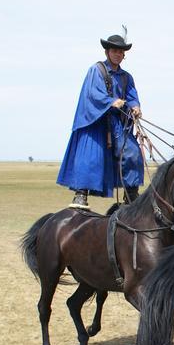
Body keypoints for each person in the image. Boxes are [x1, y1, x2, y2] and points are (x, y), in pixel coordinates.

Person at [56, 26, 145, 209]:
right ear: (107, 51)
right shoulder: (96, 70)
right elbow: (92, 95)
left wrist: (135, 107)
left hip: (119, 125)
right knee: (91, 157)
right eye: (114, 50)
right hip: (96, 122)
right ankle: (81, 193)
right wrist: (110, 102)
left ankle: (131, 194)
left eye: (121, 51)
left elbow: (132, 96)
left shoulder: (127, 77)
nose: (118, 54)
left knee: (133, 153)